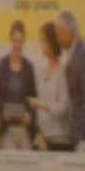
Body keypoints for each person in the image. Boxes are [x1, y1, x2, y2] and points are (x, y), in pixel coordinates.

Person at [56, 9, 85, 148]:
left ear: (69, 32)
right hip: (76, 135)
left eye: (59, 33)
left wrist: (84, 137)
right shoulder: (73, 54)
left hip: (84, 140)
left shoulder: (84, 55)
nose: (57, 38)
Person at [28, 21, 74, 151]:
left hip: (60, 140)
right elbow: (40, 110)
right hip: (43, 139)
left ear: (53, 43)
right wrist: (40, 133)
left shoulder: (64, 71)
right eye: (40, 40)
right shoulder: (42, 70)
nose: (40, 44)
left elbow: (62, 108)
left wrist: (39, 103)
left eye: (43, 41)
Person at [0, 19, 36, 150]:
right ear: (10, 40)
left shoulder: (29, 67)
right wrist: (1, 112)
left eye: (20, 41)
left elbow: (34, 96)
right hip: (7, 129)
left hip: (25, 129)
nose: (17, 44)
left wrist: (30, 113)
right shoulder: (2, 64)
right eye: (15, 40)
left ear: (24, 42)